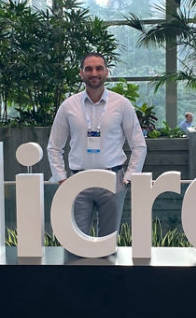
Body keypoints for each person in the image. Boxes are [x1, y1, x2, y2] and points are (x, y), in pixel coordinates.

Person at [47, 52, 147, 237]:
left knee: (108, 243)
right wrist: (62, 179)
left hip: (113, 180)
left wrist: (128, 178)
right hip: (77, 181)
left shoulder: (122, 104)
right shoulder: (68, 106)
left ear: (106, 72)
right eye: (89, 69)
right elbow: (54, 146)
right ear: (81, 73)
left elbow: (139, 145)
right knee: (75, 240)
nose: (94, 73)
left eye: (99, 68)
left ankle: (106, 268)